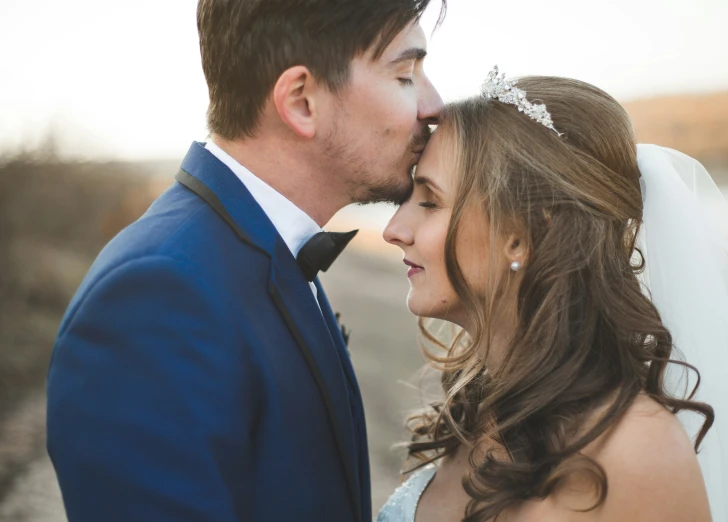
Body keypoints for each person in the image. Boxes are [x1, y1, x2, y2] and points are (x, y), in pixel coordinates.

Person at [46, 1, 444, 520]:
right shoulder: (156, 298)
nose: (434, 104)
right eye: (406, 74)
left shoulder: (257, 245)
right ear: (301, 101)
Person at [379, 68, 728, 522]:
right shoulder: (473, 415)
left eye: (429, 202)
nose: (394, 230)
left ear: (525, 234)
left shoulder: (634, 451)